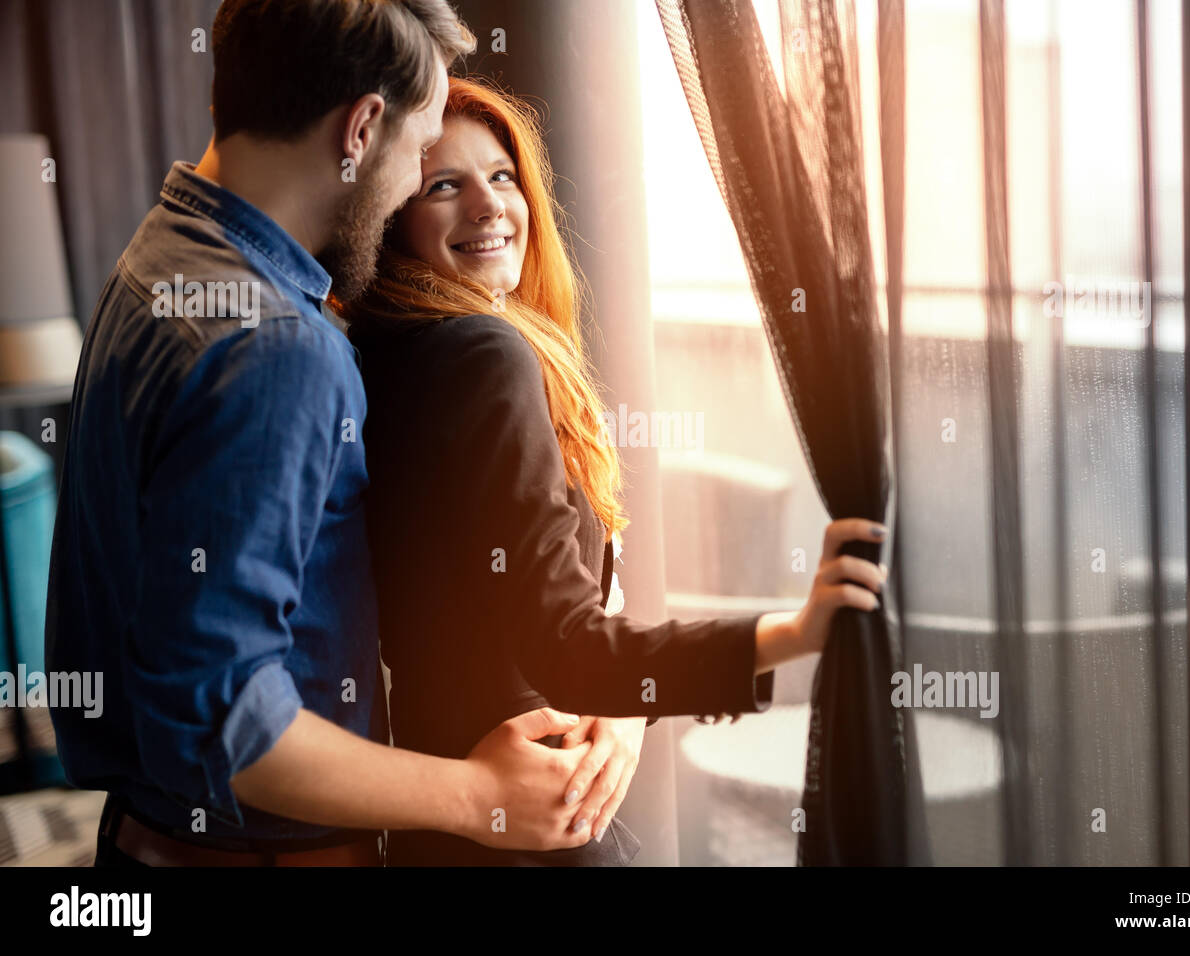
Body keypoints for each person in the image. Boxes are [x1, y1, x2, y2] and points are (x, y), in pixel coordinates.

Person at [45, 0, 609, 867]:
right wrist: (480, 796)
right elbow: (224, 713)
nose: (405, 197)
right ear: (361, 130)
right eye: (421, 156)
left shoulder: (160, 254)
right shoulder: (277, 347)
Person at [338, 77, 889, 866]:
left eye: (502, 177)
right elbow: (569, 646)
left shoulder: (382, 358)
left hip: (451, 827)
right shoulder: (483, 356)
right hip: (538, 814)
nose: (490, 206)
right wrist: (790, 634)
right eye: (444, 187)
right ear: (393, 221)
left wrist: (622, 708)